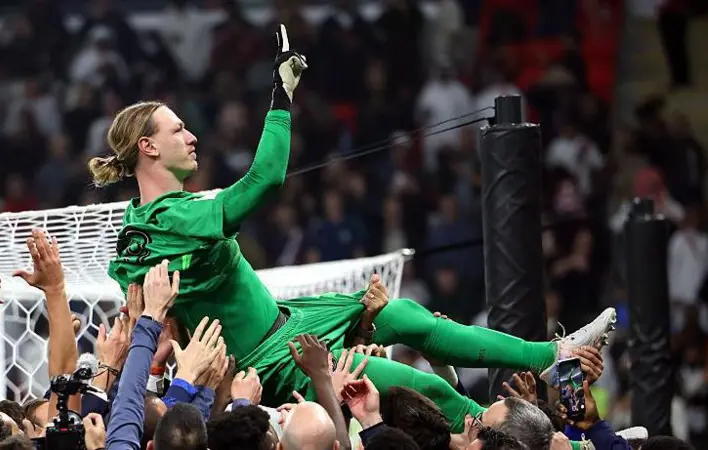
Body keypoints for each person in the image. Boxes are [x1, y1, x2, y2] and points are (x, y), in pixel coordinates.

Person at [90, 24, 616, 433]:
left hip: (291, 321)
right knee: (417, 387)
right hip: (272, 360)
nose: (192, 136)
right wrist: (280, 95)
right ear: (148, 147)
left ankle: (552, 360)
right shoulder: (167, 220)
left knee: (406, 315)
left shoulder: (149, 223)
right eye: (178, 129)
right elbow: (264, 179)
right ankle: (529, 434)